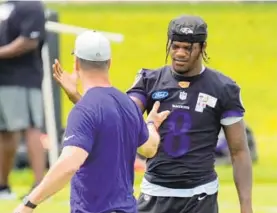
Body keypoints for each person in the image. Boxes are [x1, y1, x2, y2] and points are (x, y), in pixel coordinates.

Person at [55, 15, 253, 213]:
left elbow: (239, 151)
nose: (180, 53)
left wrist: (246, 207)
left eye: (187, 47)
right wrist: (77, 97)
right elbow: (118, 120)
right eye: (175, 46)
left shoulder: (224, 88)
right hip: (156, 194)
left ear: (202, 47)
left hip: (201, 196)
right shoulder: (150, 80)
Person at [13, 31, 170, 213]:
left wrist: (29, 203)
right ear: (109, 63)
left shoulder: (84, 110)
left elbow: (69, 164)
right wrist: (151, 124)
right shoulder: (127, 104)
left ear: (76, 64)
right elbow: (149, 148)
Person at [0, 0, 46, 199]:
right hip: (3, 79)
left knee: (30, 128)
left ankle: (40, 186)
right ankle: (3, 187)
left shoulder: (31, 5)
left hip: (23, 79)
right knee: (4, 133)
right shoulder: (5, 6)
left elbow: (29, 40)